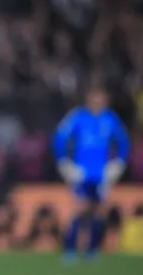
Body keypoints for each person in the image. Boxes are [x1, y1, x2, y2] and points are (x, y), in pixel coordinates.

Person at [52, 88, 130, 262]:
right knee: (80, 210)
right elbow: (59, 138)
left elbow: (123, 141)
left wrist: (119, 163)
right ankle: (70, 250)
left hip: (102, 175)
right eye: (95, 98)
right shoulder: (78, 117)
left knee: (98, 213)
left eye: (101, 98)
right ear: (88, 99)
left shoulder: (110, 119)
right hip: (81, 174)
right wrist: (64, 162)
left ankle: (91, 251)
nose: (98, 101)